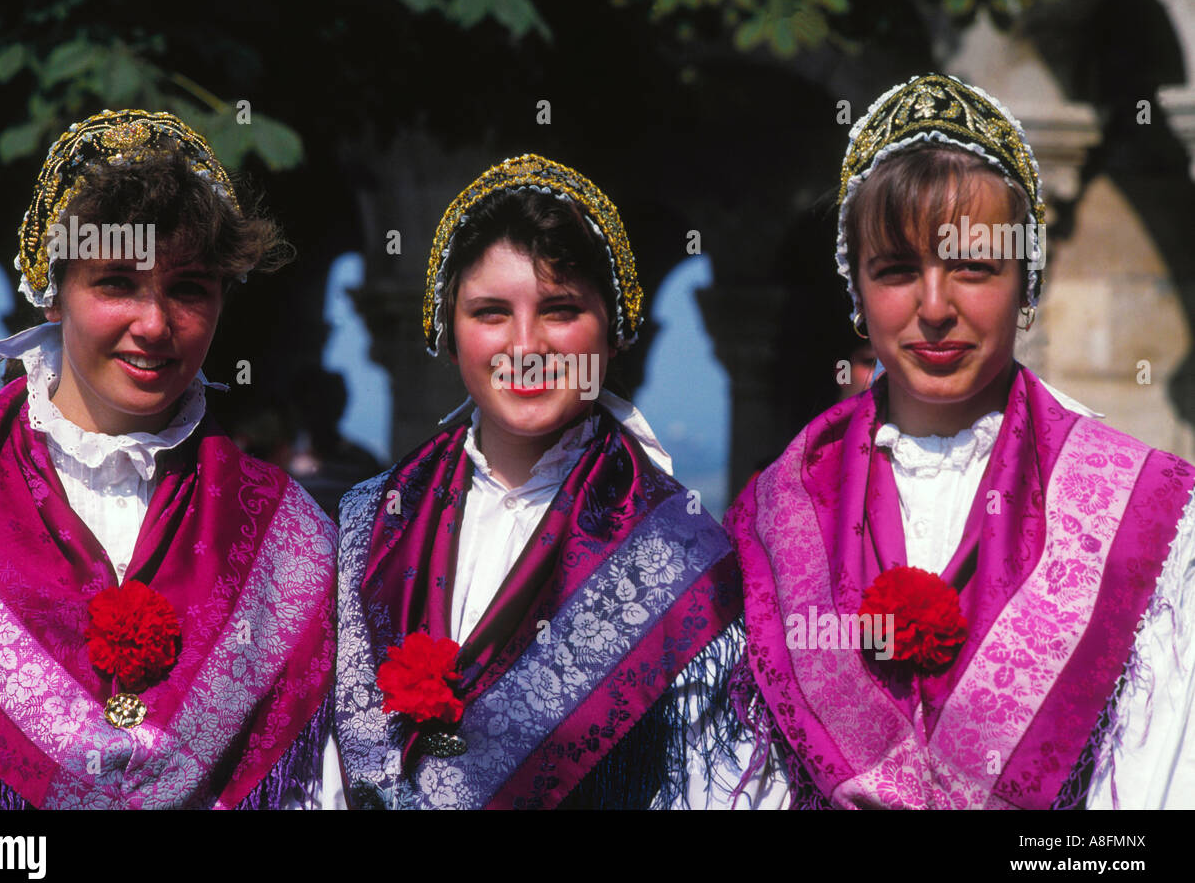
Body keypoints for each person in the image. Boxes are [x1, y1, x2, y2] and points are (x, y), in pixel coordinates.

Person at [726, 73, 1195, 809]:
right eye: (897, 270)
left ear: (1025, 283)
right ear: (857, 291)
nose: (935, 307)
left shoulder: (1149, 521)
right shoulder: (779, 514)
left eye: (974, 267)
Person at [0, 110, 337, 809]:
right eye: (116, 284)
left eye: (188, 288)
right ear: (54, 291)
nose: (155, 323)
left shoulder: (290, 537)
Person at [328, 154, 748, 809]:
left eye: (559, 310)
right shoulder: (369, 521)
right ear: (448, 330)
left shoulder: (677, 553)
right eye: (491, 313)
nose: (525, 345)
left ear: (613, 331)